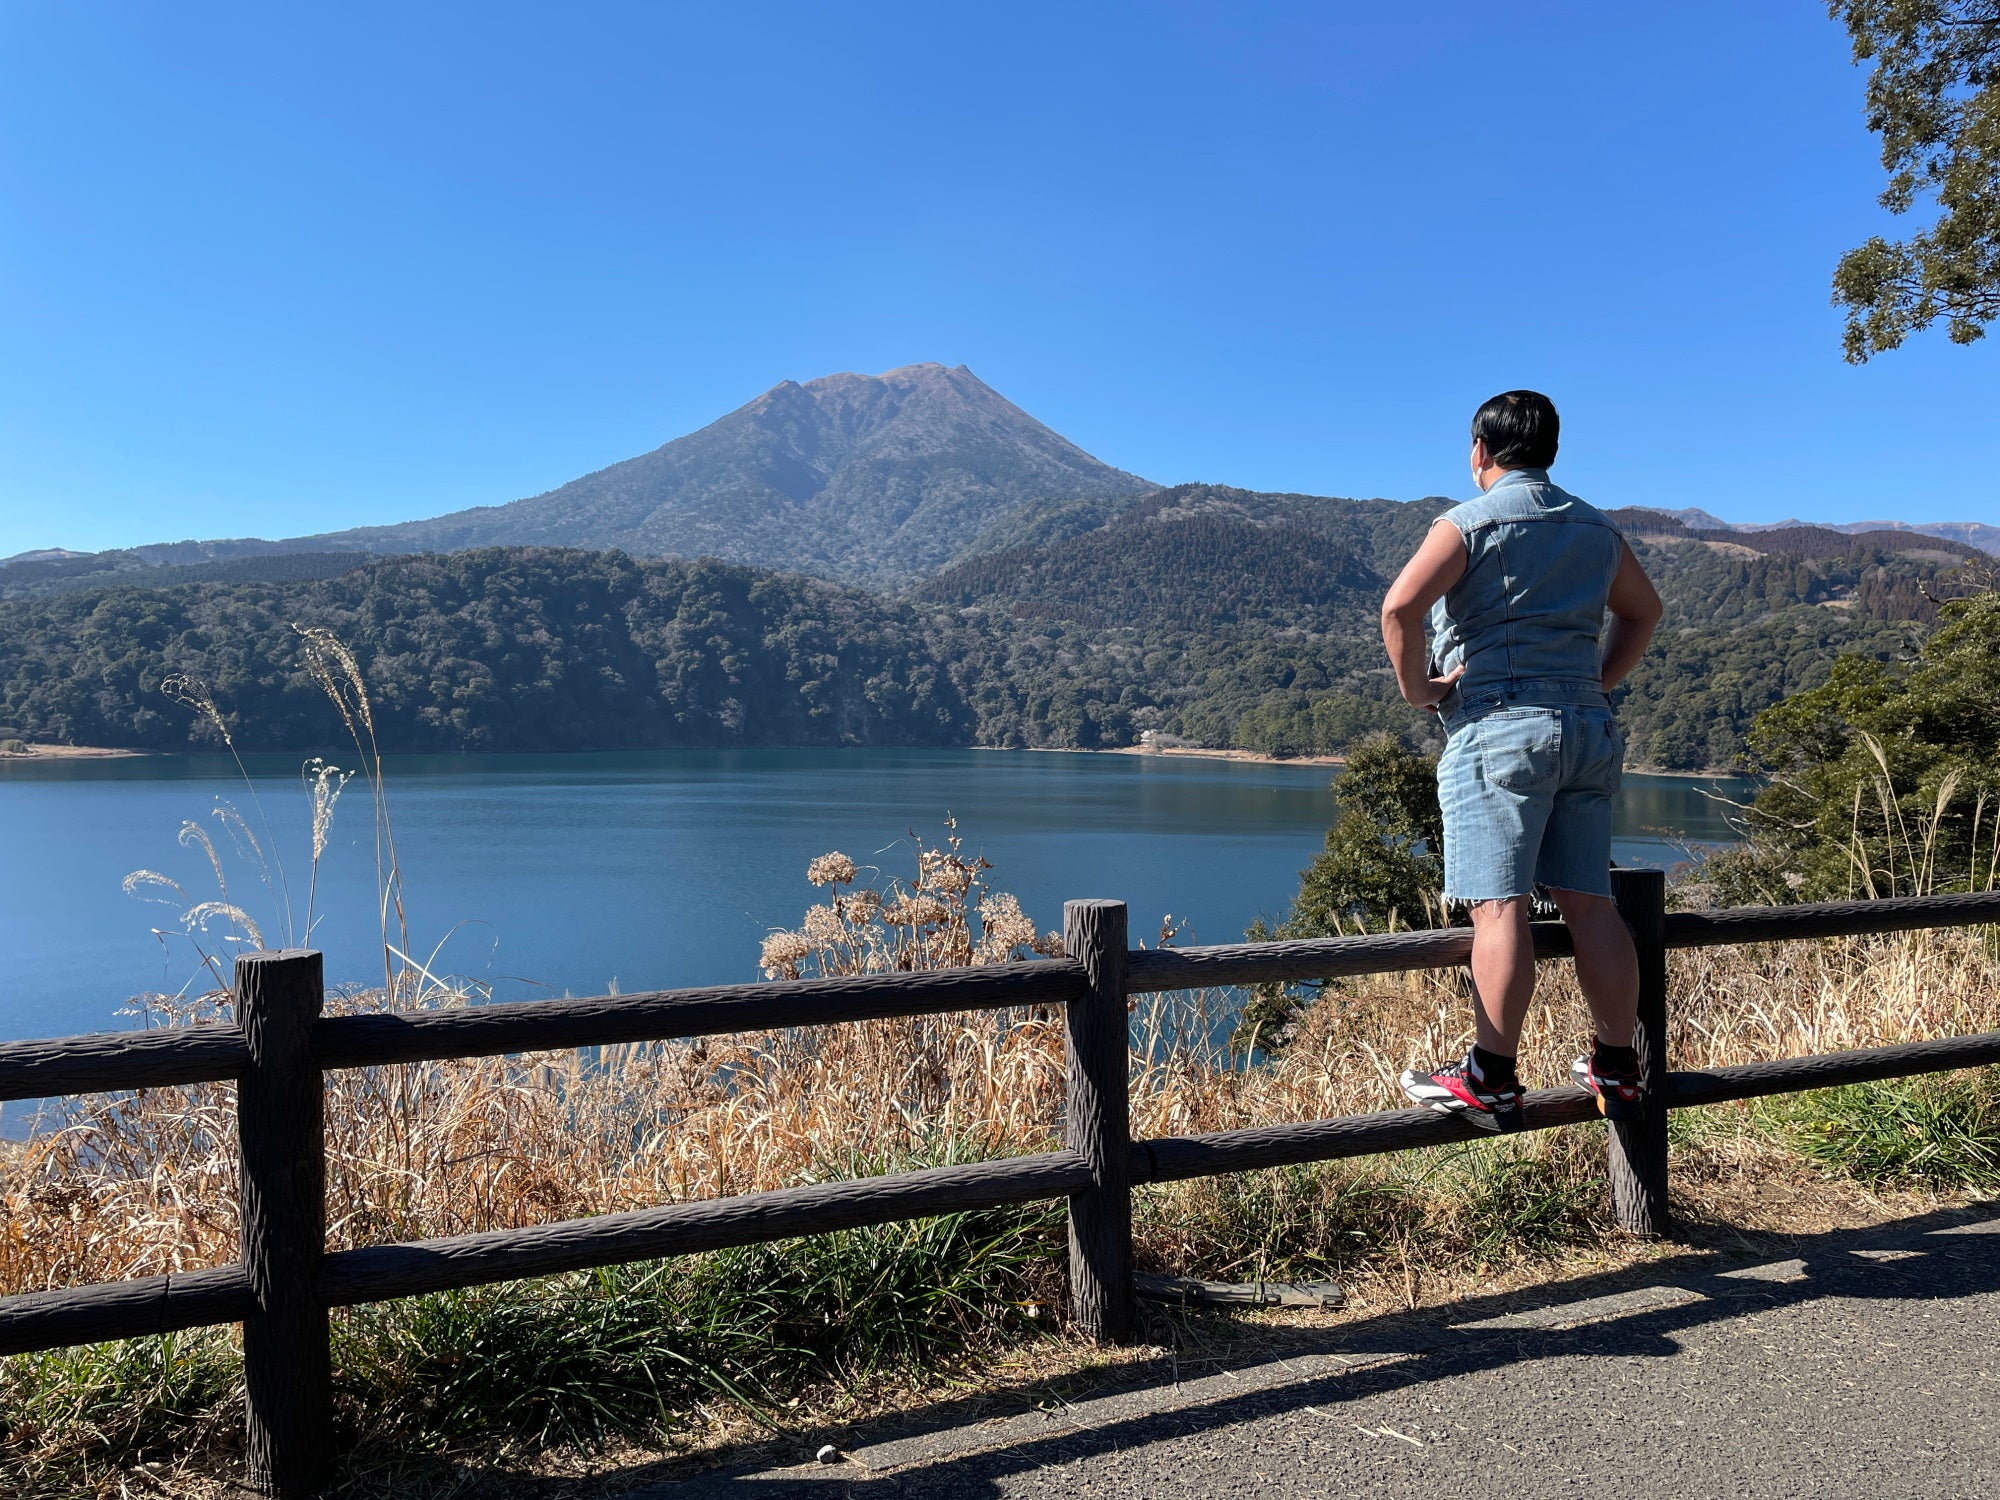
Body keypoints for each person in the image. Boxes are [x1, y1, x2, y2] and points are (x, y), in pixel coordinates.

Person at [1380, 391, 1663, 1132]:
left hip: (1500, 731)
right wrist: (1593, 683)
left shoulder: (1469, 523)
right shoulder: (1595, 529)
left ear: (1481, 451)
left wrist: (1422, 691)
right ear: (1552, 450)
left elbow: (1399, 608)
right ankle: (1617, 1065)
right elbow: (1644, 610)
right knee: (1589, 902)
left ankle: (1492, 1077)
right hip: (1587, 729)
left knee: (1497, 907)